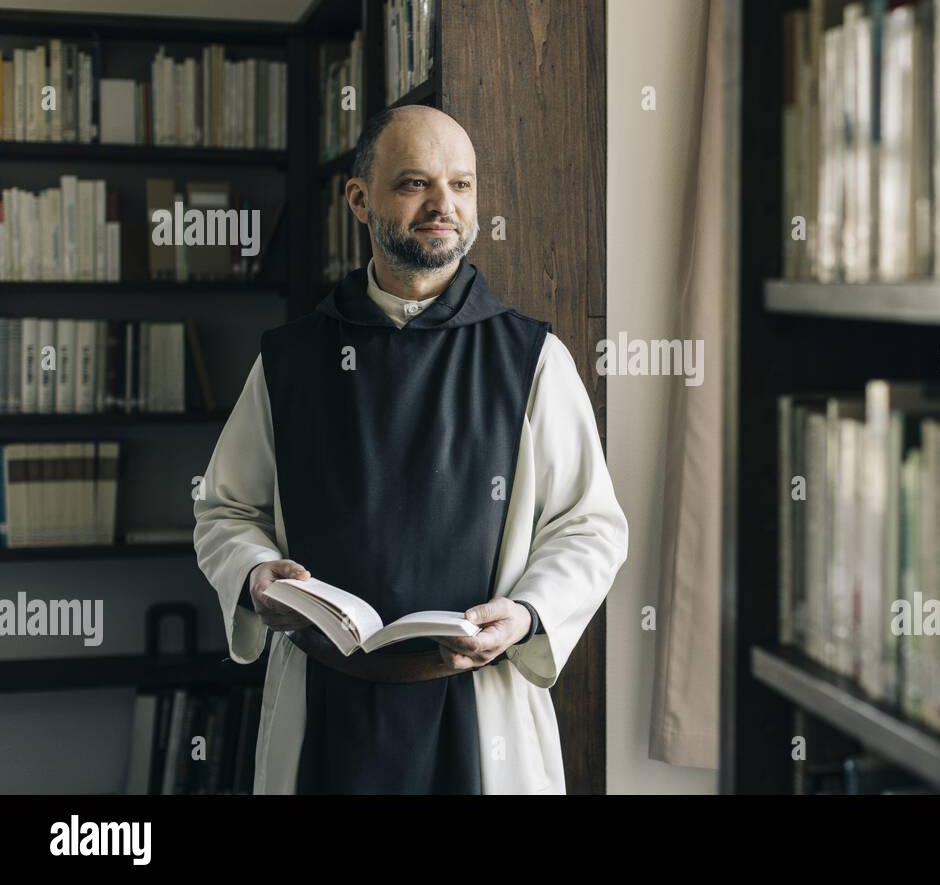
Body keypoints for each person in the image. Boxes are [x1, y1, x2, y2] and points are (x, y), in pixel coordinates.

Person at [193, 104, 629, 793]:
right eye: (415, 183)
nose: (443, 205)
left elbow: (591, 525)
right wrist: (254, 574)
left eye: (461, 184)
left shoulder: (533, 359)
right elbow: (224, 510)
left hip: (480, 715)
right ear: (360, 200)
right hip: (324, 709)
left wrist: (527, 612)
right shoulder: (290, 361)